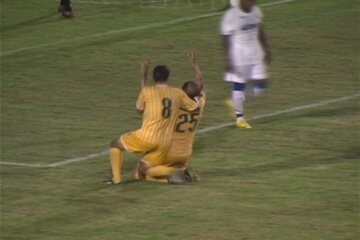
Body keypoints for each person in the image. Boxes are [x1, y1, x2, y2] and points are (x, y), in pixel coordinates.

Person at [105, 61, 200, 185]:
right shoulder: (178, 93)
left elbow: (139, 109)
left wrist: (143, 75)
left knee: (115, 144)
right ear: (168, 77)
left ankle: (116, 179)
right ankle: (181, 171)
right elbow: (194, 107)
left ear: (154, 78)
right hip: (165, 142)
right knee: (141, 171)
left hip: (147, 136)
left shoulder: (147, 91)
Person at [134, 50, 206, 184]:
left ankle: (174, 174)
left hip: (168, 151)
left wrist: (144, 75)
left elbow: (148, 97)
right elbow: (201, 86)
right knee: (151, 173)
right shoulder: (200, 104)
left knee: (141, 170)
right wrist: (195, 65)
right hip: (185, 153)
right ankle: (180, 171)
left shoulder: (175, 106)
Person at [220, 0, 272, 129]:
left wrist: (267, 49)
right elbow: (225, 38)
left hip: (255, 52)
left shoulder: (256, 11)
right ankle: (240, 119)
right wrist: (227, 59)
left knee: (262, 83)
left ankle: (236, 101)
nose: (251, 3)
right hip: (238, 55)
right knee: (239, 85)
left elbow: (260, 30)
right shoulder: (231, 15)